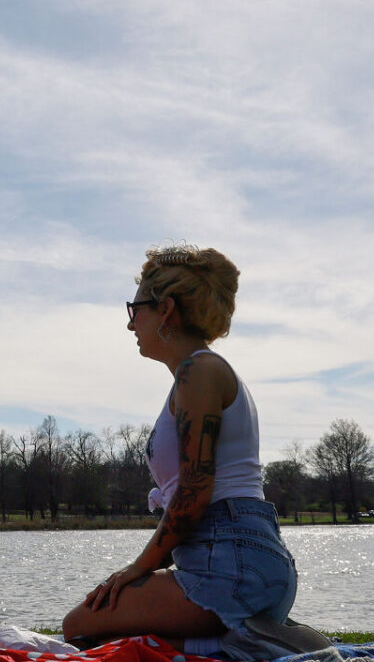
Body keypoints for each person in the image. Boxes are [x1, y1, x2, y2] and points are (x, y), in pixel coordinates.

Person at [61, 245, 322, 654]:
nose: (131, 325)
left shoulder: (198, 371)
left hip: (232, 565)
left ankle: (253, 645)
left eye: (135, 310)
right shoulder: (198, 374)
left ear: (165, 310)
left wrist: (137, 568)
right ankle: (248, 640)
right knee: (112, 635)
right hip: (242, 559)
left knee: (79, 626)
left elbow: (195, 492)